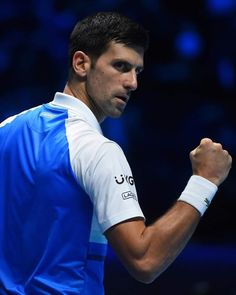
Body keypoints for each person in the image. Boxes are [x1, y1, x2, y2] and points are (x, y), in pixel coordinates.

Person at [0, 11, 232, 295]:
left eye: (137, 71)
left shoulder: (6, 129)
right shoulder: (98, 151)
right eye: (121, 66)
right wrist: (205, 181)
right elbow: (145, 260)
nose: (132, 83)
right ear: (81, 63)